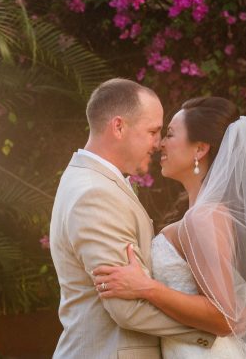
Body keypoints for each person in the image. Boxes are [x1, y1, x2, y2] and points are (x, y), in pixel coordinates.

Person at [93, 97, 246, 358]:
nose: (161, 143)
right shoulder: (207, 213)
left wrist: (146, 288)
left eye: (170, 135)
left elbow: (225, 317)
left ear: (199, 149)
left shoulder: (203, 218)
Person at [50, 79, 216, 359]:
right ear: (118, 127)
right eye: (152, 131)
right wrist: (211, 330)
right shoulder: (95, 193)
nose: (158, 143)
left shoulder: (98, 182)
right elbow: (126, 308)